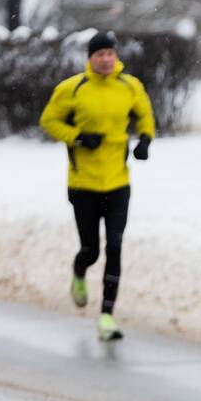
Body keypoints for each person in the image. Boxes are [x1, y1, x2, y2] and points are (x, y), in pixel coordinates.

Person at [40, 31, 155, 341]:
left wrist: (145, 140)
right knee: (90, 249)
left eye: (110, 54)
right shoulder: (72, 88)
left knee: (114, 246)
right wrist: (78, 137)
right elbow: (49, 121)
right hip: (84, 184)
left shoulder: (130, 86)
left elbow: (145, 114)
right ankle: (79, 271)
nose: (106, 60)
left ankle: (106, 315)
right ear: (89, 58)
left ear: (116, 57)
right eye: (99, 54)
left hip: (118, 182)